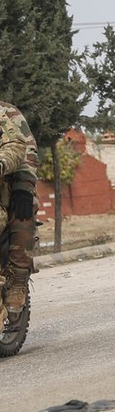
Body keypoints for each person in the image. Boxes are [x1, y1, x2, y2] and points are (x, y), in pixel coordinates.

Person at [0, 100, 39, 314]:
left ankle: (18, 279)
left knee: (23, 210)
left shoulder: (5, 112)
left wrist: (24, 186)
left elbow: (26, 149)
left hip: (8, 183)